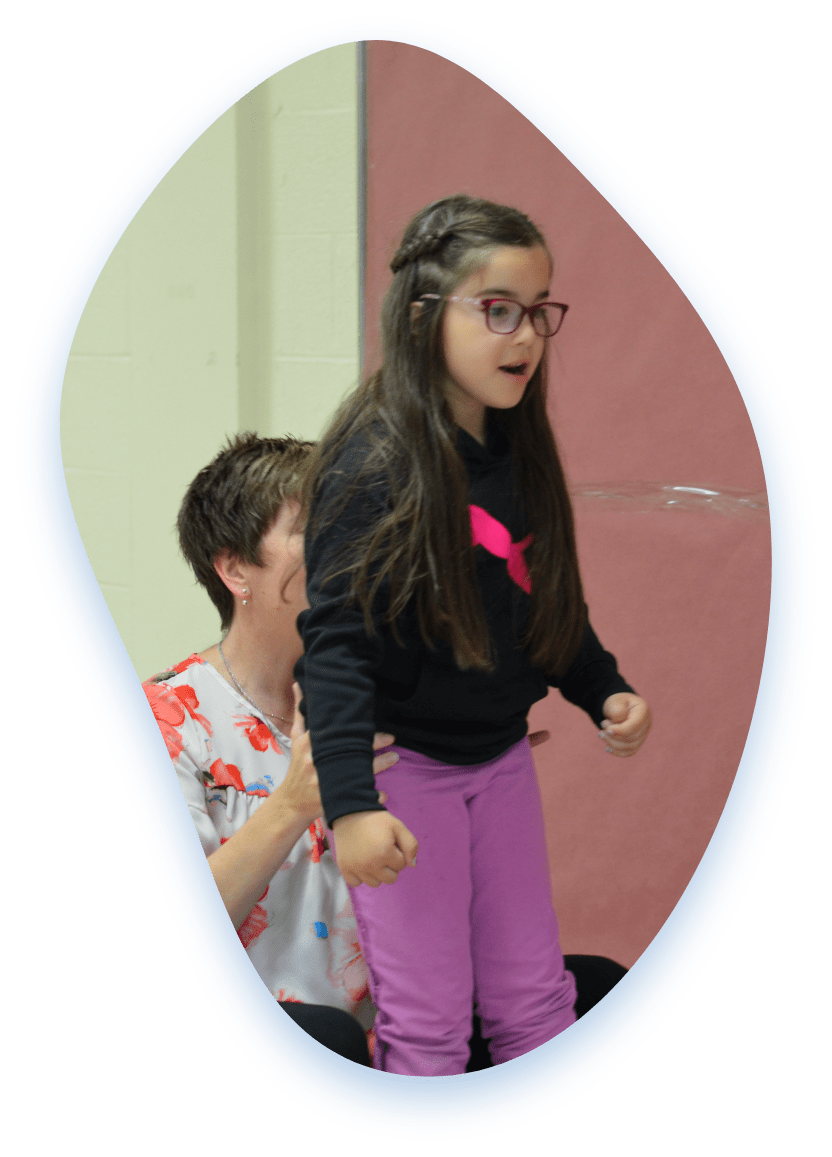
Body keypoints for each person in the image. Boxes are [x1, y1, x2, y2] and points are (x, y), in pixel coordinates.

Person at [295, 194, 652, 1076]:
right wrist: (351, 808)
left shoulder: (516, 451)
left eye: (538, 312)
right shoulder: (371, 462)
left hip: (499, 764)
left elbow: (541, 601)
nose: (525, 335)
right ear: (424, 316)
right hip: (403, 774)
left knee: (536, 1003)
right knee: (429, 1026)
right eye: (497, 310)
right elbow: (335, 646)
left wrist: (602, 685)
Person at [143, 433, 398, 1065]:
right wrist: (292, 805)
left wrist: (468, 762)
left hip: (387, 1021)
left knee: (590, 986)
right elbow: (169, 935)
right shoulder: (162, 718)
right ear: (235, 571)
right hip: (242, 1035)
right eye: (315, 526)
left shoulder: (385, 700)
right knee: (328, 1039)